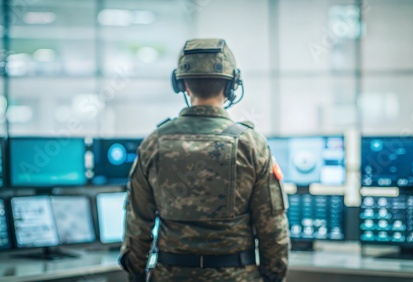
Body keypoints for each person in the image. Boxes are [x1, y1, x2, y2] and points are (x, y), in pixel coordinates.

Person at [120, 38, 289, 282]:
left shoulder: (154, 143)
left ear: (181, 84)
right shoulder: (251, 144)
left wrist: (136, 272)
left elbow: (138, 222)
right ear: (232, 85)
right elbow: (271, 225)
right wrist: (272, 276)